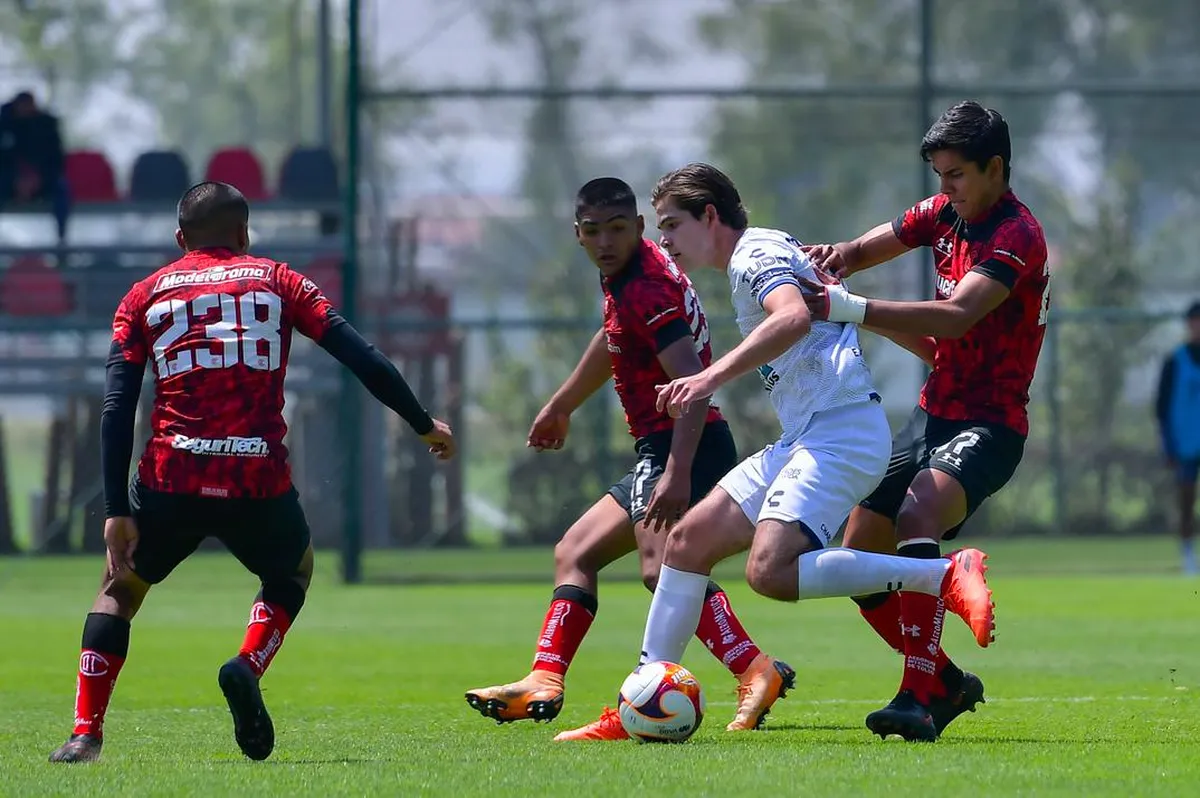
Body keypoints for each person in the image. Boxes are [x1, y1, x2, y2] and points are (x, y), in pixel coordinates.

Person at [48, 182, 456, 764]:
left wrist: (116, 510)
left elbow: (117, 406)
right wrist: (421, 423)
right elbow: (361, 356)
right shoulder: (279, 280)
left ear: (180, 239)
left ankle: (85, 734)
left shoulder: (142, 296)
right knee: (294, 570)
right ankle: (247, 663)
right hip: (253, 474)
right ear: (243, 234)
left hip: (172, 475)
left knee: (120, 589)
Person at [631, 162, 996, 742]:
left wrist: (707, 379)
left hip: (839, 434)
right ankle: (640, 696)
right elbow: (827, 305)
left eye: (672, 224)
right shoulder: (766, 249)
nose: (664, 240)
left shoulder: (753, 255)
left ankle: (943, 573)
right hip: (809, 434)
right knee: (686, 543)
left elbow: (795, 316)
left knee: (770, 572)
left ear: (709, 215)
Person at [465, 178, 794, 742]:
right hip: (665, 446)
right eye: (593, 232)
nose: (605, 242)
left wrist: (677, 472)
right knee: (576, 551)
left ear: (638, 228)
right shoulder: (627, 277)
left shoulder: (646, 287)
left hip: (683, 443)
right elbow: (614, 336)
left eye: (617, 229)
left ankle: (753, 669)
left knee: (660, 567)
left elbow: (693, 383)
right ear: (578, 233)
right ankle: (544, 679)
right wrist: (562, 404)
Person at [799, 100, 1049, 741]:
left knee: (917, 516)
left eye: (956, 174)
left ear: (995, 169)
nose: (946, 188)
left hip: (990, 424)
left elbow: (956, 317)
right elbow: (863, 248)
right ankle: (943, 679)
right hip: (933, 414)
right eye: (940, 175)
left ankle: (916, 695)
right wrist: (829, 259)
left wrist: (851, 307)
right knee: (858, 557)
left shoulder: (1017, 235)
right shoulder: (944, 213)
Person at [1155, 300, 1200, 576]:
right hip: (1186, 444)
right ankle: (1188, 557)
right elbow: (1161, 407)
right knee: (1186, 501)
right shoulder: (1175, 361)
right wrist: (1168, 444)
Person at [0, 91, 69, 242]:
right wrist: (16, 179)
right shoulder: (4, 125)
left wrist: (37, 178)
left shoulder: (46, 125)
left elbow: (56, 159)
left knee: (61, 190)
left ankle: (62, 241)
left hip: (42, 179)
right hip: (9, 178)